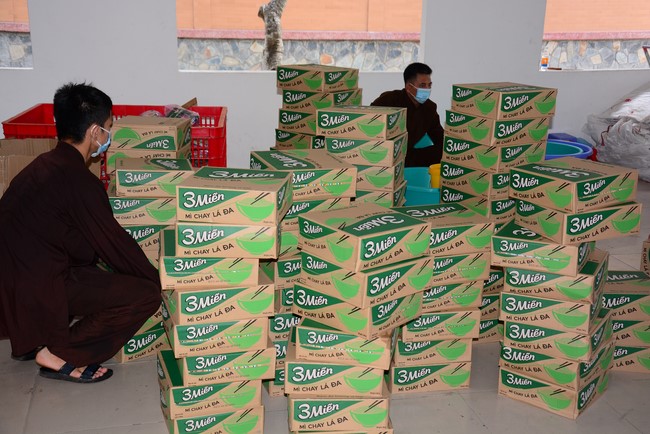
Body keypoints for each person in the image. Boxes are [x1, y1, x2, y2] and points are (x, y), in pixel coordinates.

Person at [0, 83, 161, 383]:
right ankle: (61, 353)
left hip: (12, 288)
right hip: (38, 287)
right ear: (95, 132)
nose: (109, 137)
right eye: (109, 128)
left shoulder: (41, 166)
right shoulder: (78, 181)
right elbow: (115, 245)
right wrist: (160, 282)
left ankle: (35, 336)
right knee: (144, 295)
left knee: (88, 268)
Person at [371, 62, 445, 167]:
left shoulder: (430, 108)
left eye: (429, 85)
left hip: (409, 155)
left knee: (444, 151)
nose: (427, 89)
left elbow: (439, 137)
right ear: (409, 87)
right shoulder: (389, 100)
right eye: (422, 85)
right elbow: (370, 120)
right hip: (383, 152)